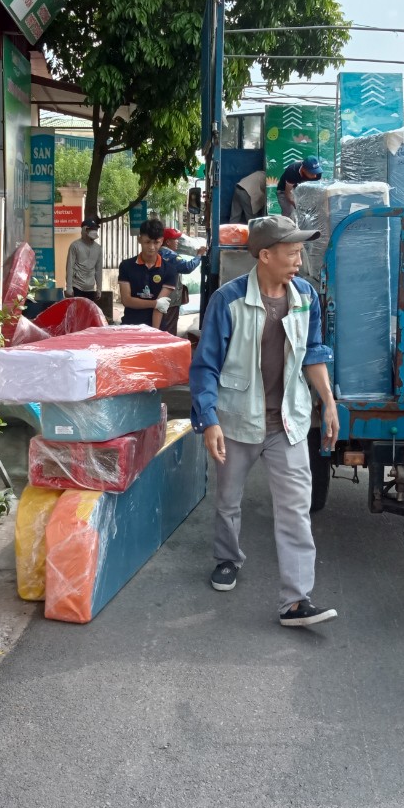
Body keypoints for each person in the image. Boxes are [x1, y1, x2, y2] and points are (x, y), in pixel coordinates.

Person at [189, 214, 340, 627]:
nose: (299, 259)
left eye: (300, 251)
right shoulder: (228, 300)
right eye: (291, 252)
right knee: (228, 501)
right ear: (265, 255)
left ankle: (295, 600)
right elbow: (205, 367)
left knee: (295, 510)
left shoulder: (306, 295)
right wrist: (209, 420)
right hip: (236, 421)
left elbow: (314, 351)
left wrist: (327, 401)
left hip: (287, 424)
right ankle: (227, 558)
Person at [118, 217, 179, 329]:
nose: (151, 247)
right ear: (139, 239)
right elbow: (126, 300)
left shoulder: (170, 270)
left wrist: (154, 333)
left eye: (156, 242)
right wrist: (154, 303)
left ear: (161, 241)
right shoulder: (126, 266)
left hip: (157, 327)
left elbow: (160, 308)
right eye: (147, 242)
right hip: (130, 326)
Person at [158, 228, 208, 335]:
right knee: (169, 330)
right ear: (167, 242)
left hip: (159, 298)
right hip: (170, 299)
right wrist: (199, 255)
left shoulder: (158, 254)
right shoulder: (170, 256)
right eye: (175, 239)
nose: (178, 242)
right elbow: (187, 267)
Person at [64, 217, 104, 306]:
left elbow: (98, 269)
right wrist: (69, 287)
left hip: (90, 287)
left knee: (88, 314)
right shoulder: (75, 246)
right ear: (84, 230)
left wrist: (99, 288)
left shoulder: (98, 248)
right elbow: (69, 266)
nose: (94, 231)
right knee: (77, 312)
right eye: (91, 229)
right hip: (77, 286)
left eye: (95, 229)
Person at [276, 155, 323, 219]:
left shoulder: (317, 173)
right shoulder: (292, 170)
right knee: (289, 213)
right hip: (285, 191)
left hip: (301, 190)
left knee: (310, 214)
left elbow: (317, 190)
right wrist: (298, 206)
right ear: (303, 169)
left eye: (316, 172)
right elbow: (288, 194)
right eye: (312, 173)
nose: (315, 176)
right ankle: (288, 227)